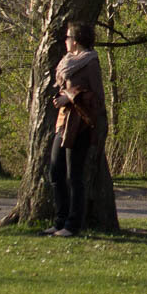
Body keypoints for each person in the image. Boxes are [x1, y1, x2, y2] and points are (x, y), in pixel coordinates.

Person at [45, 20, 106, 237]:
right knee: (56, 171)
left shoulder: (90, 63)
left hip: (79, 126)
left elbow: (97, 98)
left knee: (74, 176)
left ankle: (73, 224)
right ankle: (60, 220)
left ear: (77, 40)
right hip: (62, 123)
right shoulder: (67, 62)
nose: (66, 40)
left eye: (69, 37)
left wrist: (69, 97)